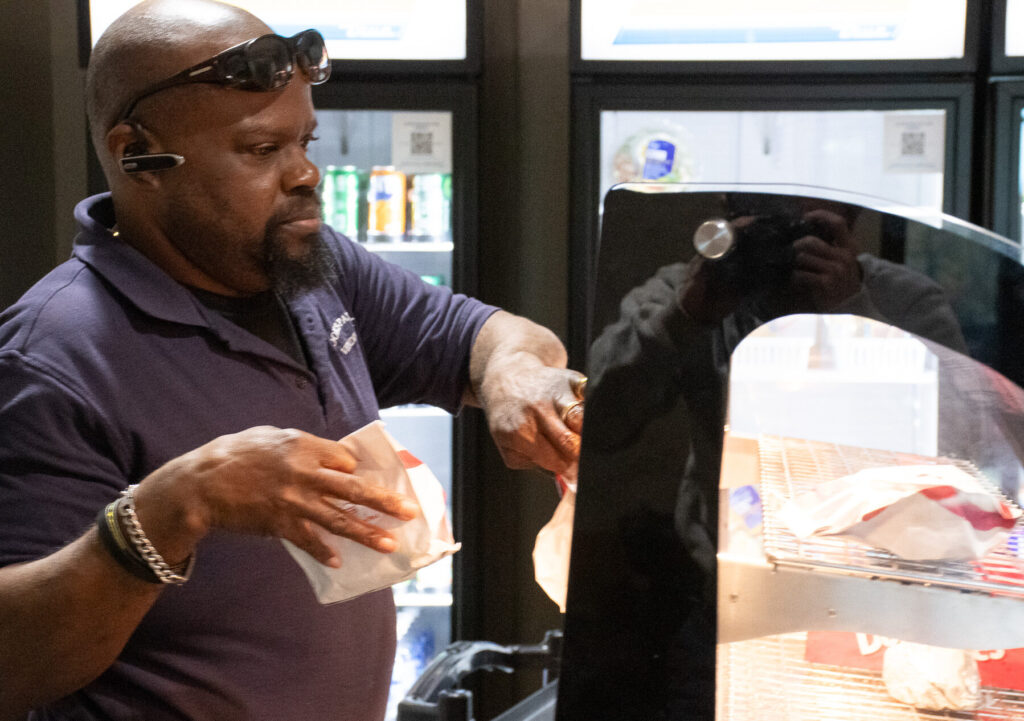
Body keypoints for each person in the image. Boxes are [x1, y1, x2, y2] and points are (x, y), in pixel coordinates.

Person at [0, 2, 584, 719]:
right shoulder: (55, 355)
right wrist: (176, 504)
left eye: (303, 140)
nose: (305, 172)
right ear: (136, 155)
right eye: (259, 150)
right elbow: (13, 662)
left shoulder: (310, 264)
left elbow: (481, 335)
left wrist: (519, 374)